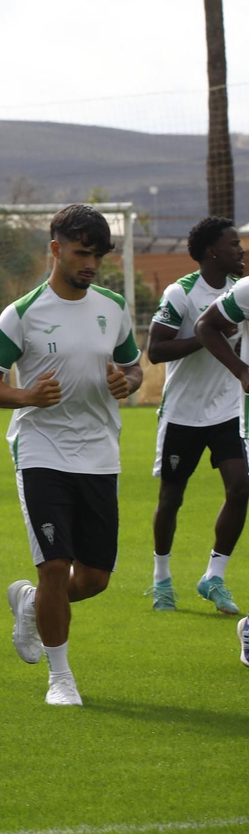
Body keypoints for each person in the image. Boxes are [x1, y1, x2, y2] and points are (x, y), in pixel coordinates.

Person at [0, 204, 141, 707]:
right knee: (54, 566)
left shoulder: (112, 307)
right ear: (56, 250)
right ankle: (61, 679)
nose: (91, 263)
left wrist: (125, 382)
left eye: (98, 255)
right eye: (81, 252)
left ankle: (31, 604)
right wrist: (27, 397)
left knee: (92, 579)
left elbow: (135, 370)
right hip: (42, 452)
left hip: (100, 455)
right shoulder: (22, 313)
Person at [144, 217, 244, 616]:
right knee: (171, 498)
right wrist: (206, 338)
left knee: (241, 488)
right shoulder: (181, 293)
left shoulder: (239, 292)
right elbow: (155, 350)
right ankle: (161, 579)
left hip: (227, 411)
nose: (240, 250)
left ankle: (213, 575)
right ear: (211, 252)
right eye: (233, 244)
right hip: (183, 414)